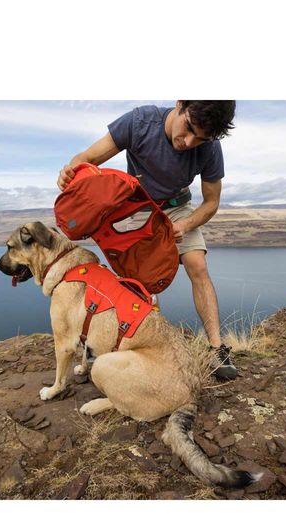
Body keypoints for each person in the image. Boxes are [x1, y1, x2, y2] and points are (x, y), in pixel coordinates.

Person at [57, 100, 237, 380]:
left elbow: (211, 202)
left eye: (200, 138)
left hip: (177, 208)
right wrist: (70, 170)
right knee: (136, 284)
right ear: (180, 103)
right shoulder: (140, 122)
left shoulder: (210, 148)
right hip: (136, 209)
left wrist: (186, 224)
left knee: (197, 266)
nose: (189, 142)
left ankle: (217, 349)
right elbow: (88, 159)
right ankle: (135, 348)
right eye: (188, 128)